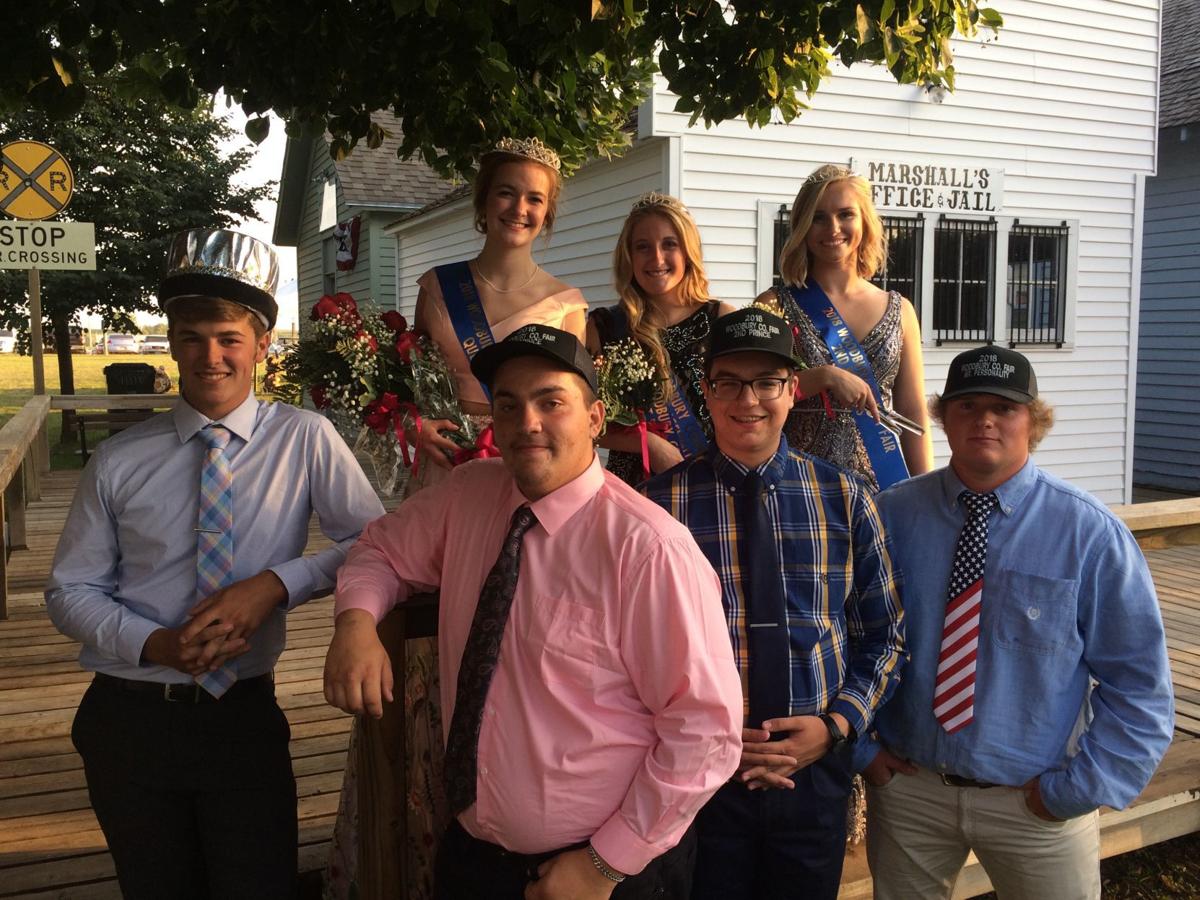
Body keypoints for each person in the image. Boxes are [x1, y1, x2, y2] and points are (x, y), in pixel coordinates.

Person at [324, 324, 743, 900]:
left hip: (602, 871)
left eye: (552, 402)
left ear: (596, 419)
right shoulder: (468, 494)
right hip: (473, 854)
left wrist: (604, 864)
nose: (528, 423)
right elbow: (380, 550)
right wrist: (356, 622)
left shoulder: (648, 549)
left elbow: (704, 730)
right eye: (509, 404)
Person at [45, 227, 385, 900]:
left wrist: (277, 585)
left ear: (262, 345)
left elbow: (376, 543)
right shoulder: (121, 460)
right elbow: (69, 589)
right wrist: (157, 643)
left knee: (257, 881)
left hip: (241, 717)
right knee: (156, 885)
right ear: (171, 342)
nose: (211, 356)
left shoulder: (304, 439)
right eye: (192, 336)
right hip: (129, 715)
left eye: (230, 337)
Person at [326, 136, 590, 900]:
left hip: (527, 472)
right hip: (453, 478)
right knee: (429, 644)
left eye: (534, 198)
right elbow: (410, 390)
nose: (519, 208)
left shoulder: (571, 303)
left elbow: (564, 410)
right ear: (483, 201)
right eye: (507, 192)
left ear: (548, 212)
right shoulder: (441, 287)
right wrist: (413, 426)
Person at [859, 346, 1175, 900]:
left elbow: (1140, 686)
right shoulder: (890, 516)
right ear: (942, 416)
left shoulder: (1090, 534)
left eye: (1004, 407)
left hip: (1037, 803)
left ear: (1034, 420)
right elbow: (848, 640)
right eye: (967, 404)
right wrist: (865, 755)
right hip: (910, 792)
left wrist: (1078, 790)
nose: (984, 419)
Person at [641, 307, 905, 900]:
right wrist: (702, 736)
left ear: (792, 391)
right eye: (729, 382)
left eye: (766, 382)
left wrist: (835, 726)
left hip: (813, 775)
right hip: (700, 781)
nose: (748, 399)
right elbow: (635, 649)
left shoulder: (847, 497)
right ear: (705, 392)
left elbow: (883, 636)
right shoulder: (659, 507)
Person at [760, 164, 933, 493]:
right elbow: (757, 396)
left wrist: (924, 495)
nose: (833, 228)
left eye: (845, 214)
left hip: (879, 490)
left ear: (864, 221)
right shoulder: (774, 305)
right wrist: (824, 376)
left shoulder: (901, 310)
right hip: (798, 487)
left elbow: (912, 414)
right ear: (802, 226)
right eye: (819, 217)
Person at [586, 192, 735, 485]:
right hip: (635, 482)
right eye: (643, 247)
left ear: (688, 250)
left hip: (713, 476)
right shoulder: (604, 326)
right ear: (628, 256)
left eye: (670, 244)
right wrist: (648, 444)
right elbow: (583, 418)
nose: (656, 258)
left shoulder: (720, 318)